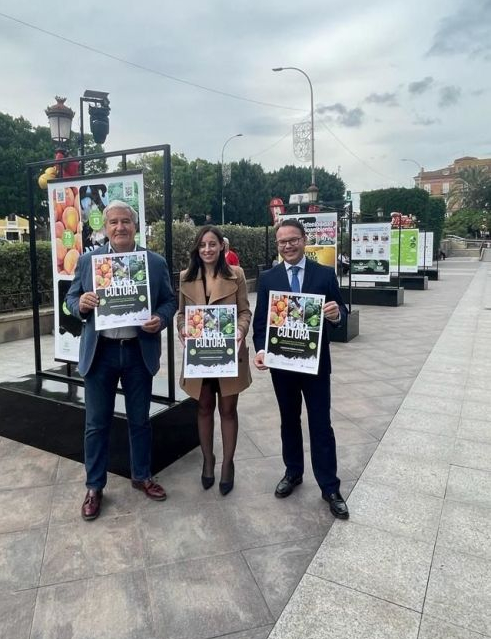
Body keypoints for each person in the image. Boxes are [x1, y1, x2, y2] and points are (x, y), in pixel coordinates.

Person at [65, 200, 177, 521]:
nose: (119, 227)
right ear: (105, 227)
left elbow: (169, 301)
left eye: (125, 221)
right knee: (96, 424)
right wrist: (82, 304)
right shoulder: (89, 261)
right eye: (113, 222)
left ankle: (141, 476)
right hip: (100, 353)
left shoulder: (153, 263)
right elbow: (71, 298)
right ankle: (94, 486)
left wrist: (160, 318)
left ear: (135, 225)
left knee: (139, 421)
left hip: (137, 351)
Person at [253, 218, 349, 519]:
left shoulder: (323, 274)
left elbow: (342, 312)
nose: (288, 246)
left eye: (293, 240)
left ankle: (329, 486)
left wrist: (335, 315)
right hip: (282, 367)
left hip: (316, 365)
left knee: (321, 424)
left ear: (304, 240)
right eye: (282, 242)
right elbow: (260, 325)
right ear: (277, 245)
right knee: (289, 421)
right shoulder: (269, 278)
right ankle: (293, 472)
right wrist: (260, 350)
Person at [177, 225, 251, 495]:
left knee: (228, 410)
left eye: (212, 244)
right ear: (197, 249)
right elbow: (181, 315)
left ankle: (228, 464)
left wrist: (241, 331)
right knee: (204, 408)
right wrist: (182, 328)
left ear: (222, 246)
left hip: (228, 353)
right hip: (200, 354)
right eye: (202, 245)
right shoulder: (186, 277)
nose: (207, 249)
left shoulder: (236, 275)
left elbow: (244, 311)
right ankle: (208, 460)